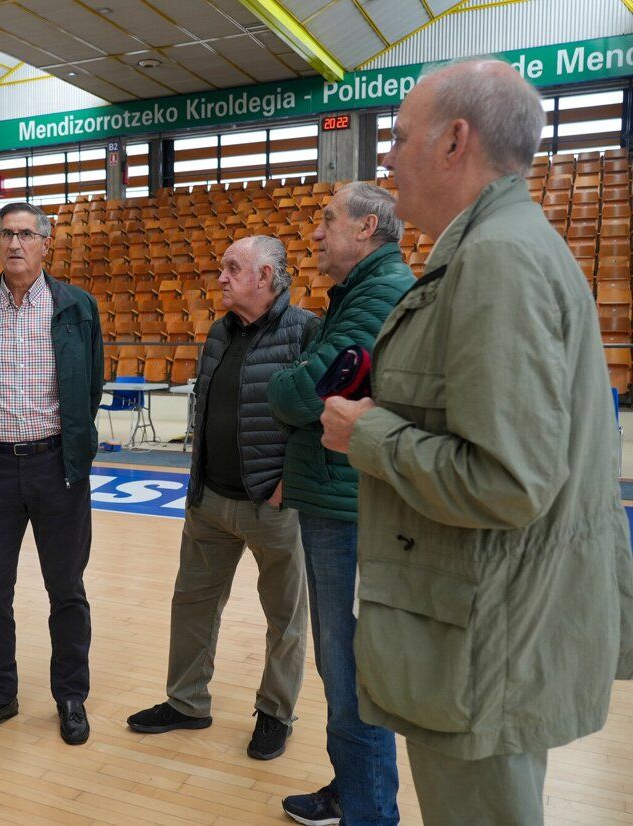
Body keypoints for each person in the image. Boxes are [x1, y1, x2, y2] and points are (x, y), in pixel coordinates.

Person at [320, 59, 633, 825]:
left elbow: (507, 480)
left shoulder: (497, 260)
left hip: (484, 639)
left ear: (455, 140)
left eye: (397, 138)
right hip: (486, 624)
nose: (387, 160)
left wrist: (370, 436)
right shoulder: (497, 246)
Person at [127, 235, 319, 762]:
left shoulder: (305, 330)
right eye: (222, 268)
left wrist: (290, 482)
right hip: (211, 499)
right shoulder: (219, 331)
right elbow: (205, 408)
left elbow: (321, 415)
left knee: (285, 617)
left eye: (233, 268)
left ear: (266, 276)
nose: (222, 277)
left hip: (273, 504)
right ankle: (187, 702)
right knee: (192, 603)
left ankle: (276, 713)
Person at [267, 182, 414, 826]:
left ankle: (369, 812)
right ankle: (349, 790)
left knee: (348, 666)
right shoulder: (359, 292)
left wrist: (285, 383)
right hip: (336, 496)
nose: (316, 233)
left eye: (329, 221)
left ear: (368, 229)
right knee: (338, 659)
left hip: (348, 506)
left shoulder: (377, 293)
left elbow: (305, 393)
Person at [0, 201, 104, 745]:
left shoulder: (78, 306)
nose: (15, 243)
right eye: (6, 234)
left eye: (26, 234)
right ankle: (0, 692)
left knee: (67, 588)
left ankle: (70, 696)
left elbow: (91, 387)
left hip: (57, 465)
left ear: (45, 244)